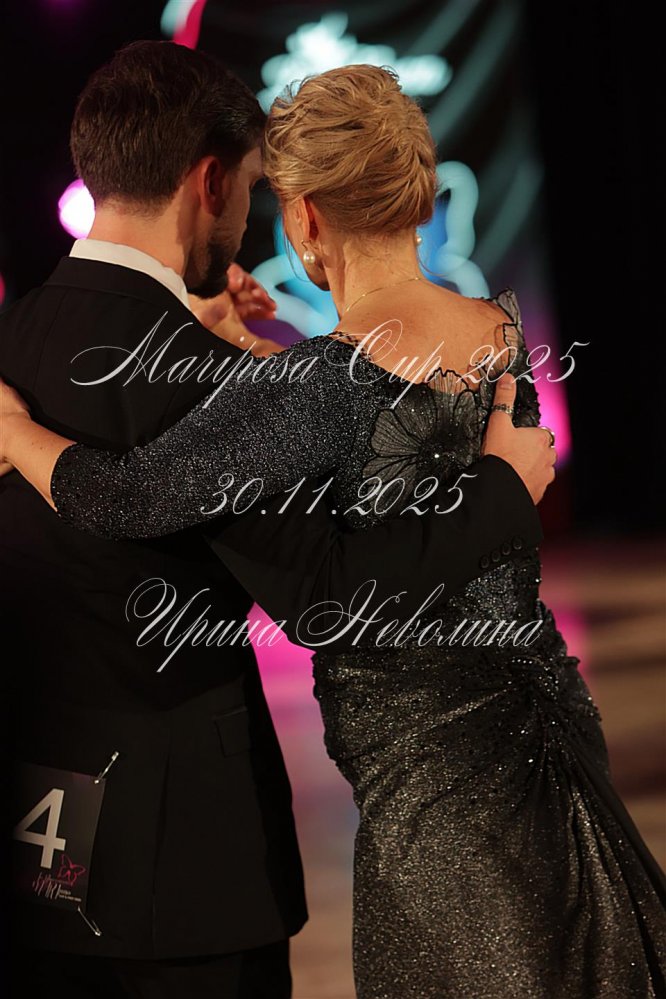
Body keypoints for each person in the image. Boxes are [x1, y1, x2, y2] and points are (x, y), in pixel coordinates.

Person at [0, 45, 556, 999]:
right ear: (211, 182)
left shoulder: (16, 340)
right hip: (193, 862)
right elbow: (327, 579)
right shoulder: (483, 340)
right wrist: (503, 490)